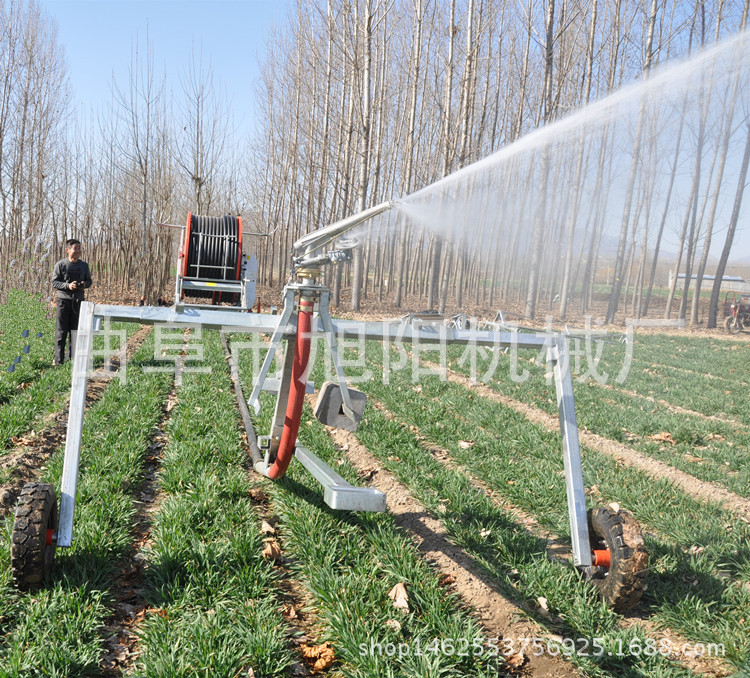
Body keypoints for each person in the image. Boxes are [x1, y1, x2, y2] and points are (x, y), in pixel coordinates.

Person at [51, 239, 93, 365]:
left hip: (79, 302)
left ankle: (72, 361)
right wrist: (67, 286)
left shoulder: (84, 265)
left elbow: (89, 281)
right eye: (75, 248)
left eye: (79, 248)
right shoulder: (60, 265)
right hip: (63, 301)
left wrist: (84, 284)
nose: (78, 251)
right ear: (67, 250)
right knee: (61, 332)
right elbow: (54, 282)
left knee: (75, 332)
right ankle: (58, 361)